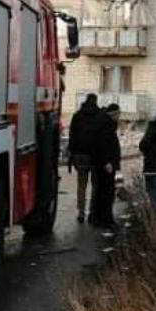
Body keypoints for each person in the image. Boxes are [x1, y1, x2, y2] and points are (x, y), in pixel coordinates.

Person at [68, 93, 104, 223]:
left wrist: (71, 154)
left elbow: (72, 136)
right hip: (95, 156)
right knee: (95, 185)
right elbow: (102, 138)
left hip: (80, 155)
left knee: (81, 185)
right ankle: (92, 211)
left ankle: (81, 212)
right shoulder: (100, 116)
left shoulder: (77, 116)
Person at [90, 103, 121, 228]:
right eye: (118, 114)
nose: (119, 116)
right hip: (106, 164)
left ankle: (97, 218)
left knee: (102, 191)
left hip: (104, 163)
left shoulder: (105, 123)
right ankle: (106, 219)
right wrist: (107, 162)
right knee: (107, 192)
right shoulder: (107, 125)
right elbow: (104, 145)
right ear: (113, 114)